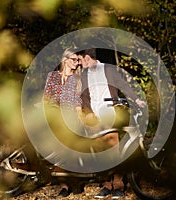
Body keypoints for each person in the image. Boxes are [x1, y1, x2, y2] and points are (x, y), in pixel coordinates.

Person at [77, 48, 146, 199]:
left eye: (81, 60)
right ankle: (107, 185)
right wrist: (88, 113)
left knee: (112, 147)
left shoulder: (109, 69)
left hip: (110, 111)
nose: (79, 64)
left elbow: (123, 85)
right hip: (94, 115)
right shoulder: (84, 75)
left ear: (87, 58)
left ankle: (119, 185)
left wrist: (136, 98)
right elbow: (84, 96)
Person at [43, 47, 83, 197]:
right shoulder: (52, 76)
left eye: (78, 60)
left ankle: (71, 182)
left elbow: (77, 100)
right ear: (65, 59)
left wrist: (79, 116)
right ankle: (65, 184)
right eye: (74, 59)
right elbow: (46, 97)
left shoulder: (77, 79)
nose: (77, 62)